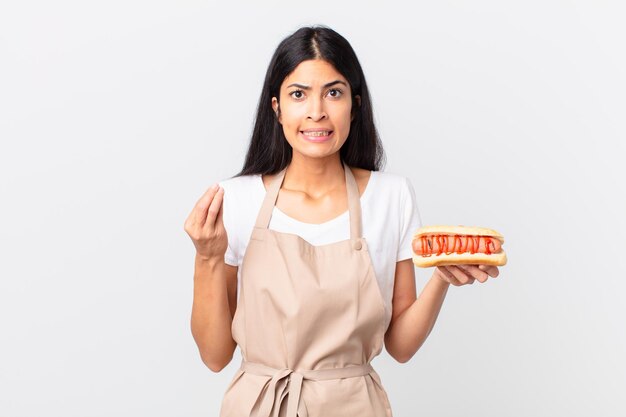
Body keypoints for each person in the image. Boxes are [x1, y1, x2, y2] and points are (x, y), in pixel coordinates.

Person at [184, 25, 500, 417]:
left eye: (333, 93)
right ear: (276, 107)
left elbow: (400, 347)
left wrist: (441, 276)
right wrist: (207, 258)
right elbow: (215, 356)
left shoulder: (392, 196)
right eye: (298, 94)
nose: (316, 111)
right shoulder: (237, 199)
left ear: (355, 103)